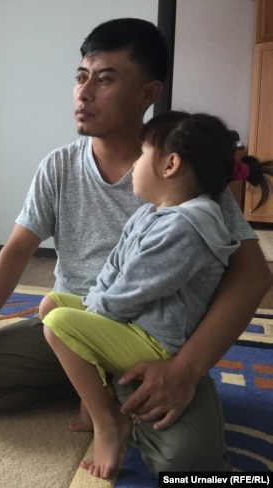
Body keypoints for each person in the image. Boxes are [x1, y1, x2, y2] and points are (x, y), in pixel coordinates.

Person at [0, 17, 273, 474]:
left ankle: (118, 399)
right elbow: (16, 250)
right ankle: (97, 395)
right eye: (80, 77)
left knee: (192, 464)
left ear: (148, 93)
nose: (84, 92)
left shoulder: (188, 173)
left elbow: (253, 276)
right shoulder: (58, 167)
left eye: (105, 78)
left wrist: (185, 371)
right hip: (77, 322)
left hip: (154, 344)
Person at [39, 111, 273, 478]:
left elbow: (137, 288)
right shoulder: (150, 214)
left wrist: (95, 313)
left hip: (155, 342)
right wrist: (96, 305)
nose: (134, 165)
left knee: (58, 325)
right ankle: (95, 399)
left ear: (170, 165)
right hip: (128, 322)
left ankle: (109, 422)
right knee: (51, 303)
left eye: (142, 155)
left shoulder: (188, 225)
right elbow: (114, 270)